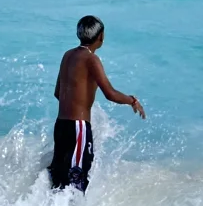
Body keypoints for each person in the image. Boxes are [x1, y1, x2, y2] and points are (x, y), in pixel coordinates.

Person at [49, 16, 145, 193]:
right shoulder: (91, 59)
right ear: (101, 37)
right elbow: (110, 93)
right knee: (77, 178)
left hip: (61, 125)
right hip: (78, 127)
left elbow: (57, 93)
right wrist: (133, 100)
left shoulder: (68, 55)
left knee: (58, 178)